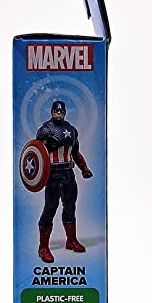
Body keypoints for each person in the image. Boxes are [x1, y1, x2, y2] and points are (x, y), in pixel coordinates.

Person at [36, 101, 93, 263]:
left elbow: (76, 153)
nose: (59, 114)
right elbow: (37, 151)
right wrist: (49, 145)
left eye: (61, 111)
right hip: (52, 174)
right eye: (56, 111)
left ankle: (71, 240)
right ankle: (43, 247)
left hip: (68, 173)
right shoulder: (46, 129)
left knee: (70, 206)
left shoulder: (72, 130)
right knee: (50, 208)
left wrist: (84, 169)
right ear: (52, 112)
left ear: (65, 112)